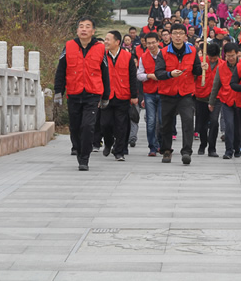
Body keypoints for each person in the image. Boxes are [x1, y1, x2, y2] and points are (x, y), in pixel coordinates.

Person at [53, 16, 110, 171]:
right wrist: (58, 91)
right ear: (77, 30)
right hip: (74, 93)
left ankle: (84, 158)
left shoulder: (100, 48)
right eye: (81, 26)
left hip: (92, 94)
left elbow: (105, 73)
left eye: (87, 26)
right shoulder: (69, 46)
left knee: (88, 126)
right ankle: (78, 149)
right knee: (75, 127)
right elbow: (61, 70)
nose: (84, 29)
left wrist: (105, 96)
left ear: (93, 31)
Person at [154, 23, 209, 164]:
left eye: (180, 33)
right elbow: (158, 73)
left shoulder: (192, 51)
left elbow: (196, 70)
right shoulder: (163, 52)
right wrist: (170, 74)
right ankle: (166, 150)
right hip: (167, 93)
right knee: (165, 124)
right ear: (170, 35)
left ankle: (186, 152)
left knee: (188, 121)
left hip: (186, 93)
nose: (178, 36)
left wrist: (202, 68)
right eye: (175, 33)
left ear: (185, 36)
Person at [101, 30, 138, 162]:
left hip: (123, 95)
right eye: (105, 39)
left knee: (121, 125)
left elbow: (132, 77)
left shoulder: (127, 56)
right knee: (105, 124)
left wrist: (134, 95)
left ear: (117, 42)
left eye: (108, 39)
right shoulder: (102, 56)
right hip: (106, 96)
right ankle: (108, 142)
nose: (105, 42)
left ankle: (119, 151)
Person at [210, 42, 241, 159]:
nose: (231, 58)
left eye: (232, 55)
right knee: (229, 125)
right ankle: (228, 150)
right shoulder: (221, 68)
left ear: (237, 54)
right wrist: (211, 102)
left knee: (238, 127)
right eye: (228, 56)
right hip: (226, 100)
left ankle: (237, 148)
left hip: (240, 101)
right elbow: (216, 85)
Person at [137, 32, 162, 156]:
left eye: (153, 43)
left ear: (158, 42)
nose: (151, 45)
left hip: (163, 92)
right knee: (151, 121)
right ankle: (152, 146)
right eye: (148, 43)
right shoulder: (143, 57)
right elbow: (139, 75)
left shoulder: (165, 55)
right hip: (149, 93)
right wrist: (149, 76)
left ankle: (162, 144)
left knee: (162, 120)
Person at [194, 43, 222, 157]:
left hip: (216, 98)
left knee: (214, 122)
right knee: (202, 123)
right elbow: (193, 75)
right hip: (201, 96)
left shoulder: (222, 64)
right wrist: (200, 69)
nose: (212, 60)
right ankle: (203, 143)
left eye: (214, 58)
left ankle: (212, 148)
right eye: (210, 58)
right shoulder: (201, 61)